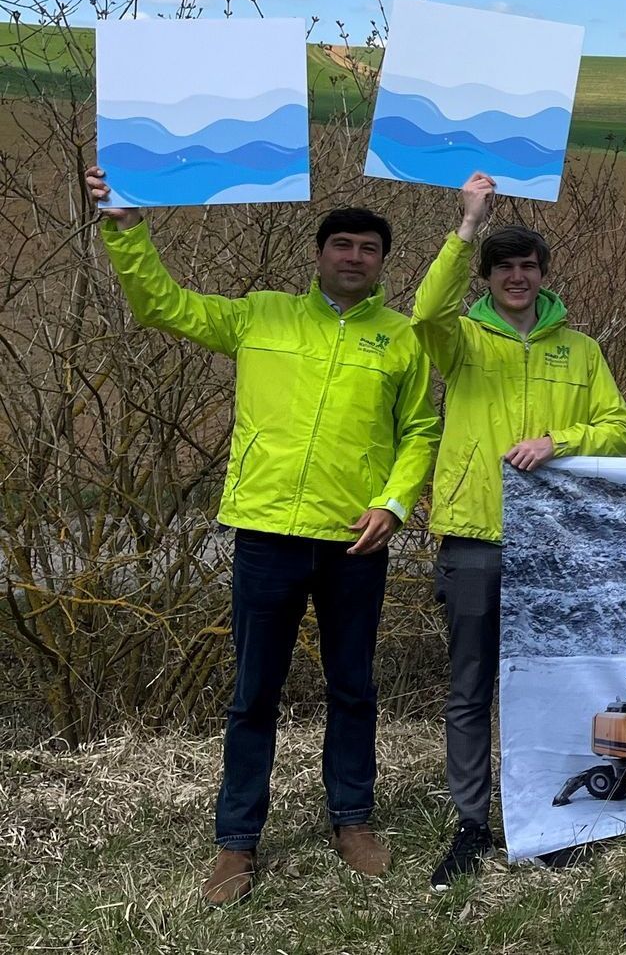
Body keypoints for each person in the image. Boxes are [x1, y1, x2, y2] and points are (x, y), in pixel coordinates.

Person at [83, 166, 438, 906]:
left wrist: (397, 504)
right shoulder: (261, 315)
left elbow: (420, 430)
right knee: (253, 696)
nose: (353, 256)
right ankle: (235, 843)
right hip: (266, 532)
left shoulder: (401, 339)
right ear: (318, 255)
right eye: (341, 244)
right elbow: (161, 305)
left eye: (368, 248)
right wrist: (126, 227)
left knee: (353, 688)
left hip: (356, 540)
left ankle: (353, 821)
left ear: (382, 263)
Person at [410, 172, 626, 890]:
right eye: (503, 266)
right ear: (487, 276)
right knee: (471, 688)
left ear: (543, 275)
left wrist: (558, 441)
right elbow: (423, 312)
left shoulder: (582, 350)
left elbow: (620, 428)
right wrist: (466, 225)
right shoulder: (462, 341)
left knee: (548, 683)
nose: (516, 276)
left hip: (557, 546)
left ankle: (544, 816)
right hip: (475, 536)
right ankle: (471, 825)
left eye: (527, 265)